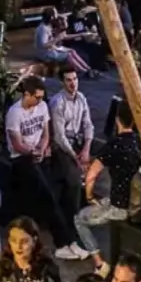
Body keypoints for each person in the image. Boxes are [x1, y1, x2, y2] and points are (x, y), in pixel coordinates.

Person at [5, 76, 87, 261]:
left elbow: (46, 133)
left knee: (62, 187)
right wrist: (32, 152)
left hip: (39, 155)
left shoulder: (41, 107)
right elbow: (17, 144)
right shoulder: (14, 113)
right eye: (37, 97)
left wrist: (42, 148)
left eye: (42, 97)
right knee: (48, 196)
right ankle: (62, 242)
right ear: (27, 94)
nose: (40, 101)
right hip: (22, 160)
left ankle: (71, 239)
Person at [74, 101, 141, 279]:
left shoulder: (114, 144)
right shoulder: (139, 141)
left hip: (119, 206)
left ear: (117, 119)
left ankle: (100, 263)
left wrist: (89, 196)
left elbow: (91, 175)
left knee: (80, 219)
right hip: (138, 201)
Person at [49, 66, 95, 226]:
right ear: (62, 82)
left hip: (78, 141)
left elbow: (88, 125)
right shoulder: (57, 103)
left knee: (94, 167)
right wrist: (76, 157)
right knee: (75, 179)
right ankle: (74, 220)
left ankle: (84, 206)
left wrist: (87, 148)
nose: (73, 83)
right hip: (62, 146)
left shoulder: (81, 98)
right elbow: (59, 137)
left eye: (75, 79)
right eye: (68, 80)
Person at [0, 217, 64, 282]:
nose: (18, 246)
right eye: (14, 240)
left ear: (34, 240)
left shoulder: (48, 269)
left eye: (24, 241)